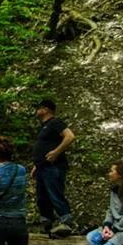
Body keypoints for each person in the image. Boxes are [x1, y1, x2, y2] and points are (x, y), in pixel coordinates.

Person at [31, 98, 76, 236]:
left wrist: (56, 152)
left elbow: (70, 136)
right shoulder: (43, 126)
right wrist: (36, 166)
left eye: (39, 108)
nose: (37, 111)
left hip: (53, 166)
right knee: (42, 197)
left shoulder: (55, 122)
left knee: (55, 193)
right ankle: (47, 223)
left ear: (46, 109)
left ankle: (66, 222)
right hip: (42, 167)